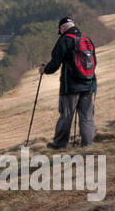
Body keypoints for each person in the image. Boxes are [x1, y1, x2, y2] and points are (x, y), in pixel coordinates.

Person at [38, 16, 97, 148]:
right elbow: (94, 62)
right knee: (87, 116)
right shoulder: (86, 39)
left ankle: (59, 144)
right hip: (88, 84)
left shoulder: (64, 40)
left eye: (60, 30)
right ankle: (88, 144)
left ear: (63, 28)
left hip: (70, 86)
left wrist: (44, 69)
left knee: (66, 115)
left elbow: (54, 64)